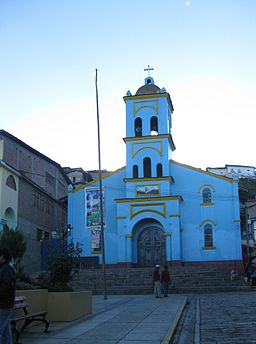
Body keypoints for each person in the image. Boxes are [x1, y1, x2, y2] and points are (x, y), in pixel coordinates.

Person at [0, 249, 16, 344]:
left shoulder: (7, 269)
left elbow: (6, 286)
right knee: (5, 329)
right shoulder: (4, 268)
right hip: (5, 303)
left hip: (4, 304)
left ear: (2, 257)